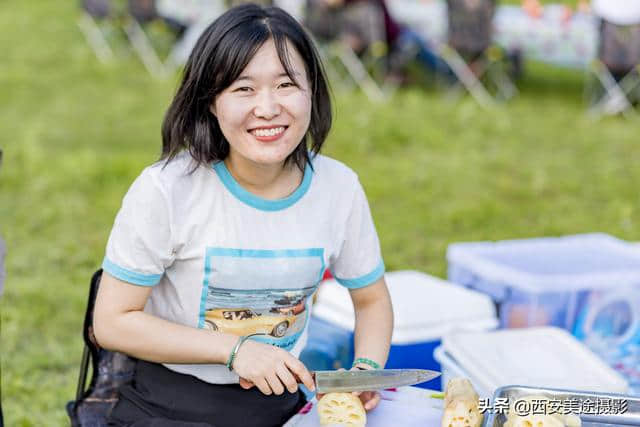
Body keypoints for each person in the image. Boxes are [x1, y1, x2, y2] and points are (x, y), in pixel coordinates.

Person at [93, 4, 394, 427]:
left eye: (286, 84)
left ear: (313, 91)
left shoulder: (339, 188)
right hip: (167, 403)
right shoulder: (167, 190)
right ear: (211, 103)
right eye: (243, 88)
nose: (268, 108)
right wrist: (235, 351)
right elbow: (111, 322)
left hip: (281, 403)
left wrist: (366, 367)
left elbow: (371, 298)